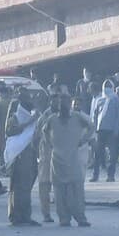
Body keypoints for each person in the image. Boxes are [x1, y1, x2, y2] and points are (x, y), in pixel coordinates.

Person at [41, 93, 93, 227]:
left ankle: (81, 218)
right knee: (59, 191)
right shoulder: (52, 119)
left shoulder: (77, 117)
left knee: (77, 189)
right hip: (57, 160)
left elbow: (91, 127)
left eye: (65, 103)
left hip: (73, 158)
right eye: (60, 103)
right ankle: (64, 219)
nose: (62, 105)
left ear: (69, 104)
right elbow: (44, 131)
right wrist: (50, 144)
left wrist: (83, 140)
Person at [5, 95, 41, 226]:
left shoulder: (31, 120)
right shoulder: (14, 118)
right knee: (17, 188)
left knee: (26, 188)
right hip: (18, 157)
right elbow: (9, 132)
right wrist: (29, 122)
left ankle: (26, 215)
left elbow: (35, 137)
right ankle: (15, 216)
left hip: (30, 156)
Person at [90, 80, 119, 182]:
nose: (107, 88)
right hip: (100, 131)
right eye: (106, 86)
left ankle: (110, 175)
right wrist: (94, 129)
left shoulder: (116, 100)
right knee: (97, 154)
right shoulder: (100, 100)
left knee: (112, 155)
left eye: (109, 86)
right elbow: (95, 116)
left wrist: (116, 130)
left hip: (111, 131)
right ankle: (95, 175)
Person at [35, 97, 57, 223]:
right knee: (44, 185)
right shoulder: (44, 118)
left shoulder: (67, 117)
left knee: (63, 186)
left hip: (63, 156)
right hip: (46, 155)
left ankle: (64, 214)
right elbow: (36, 136)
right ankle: (46, 214)